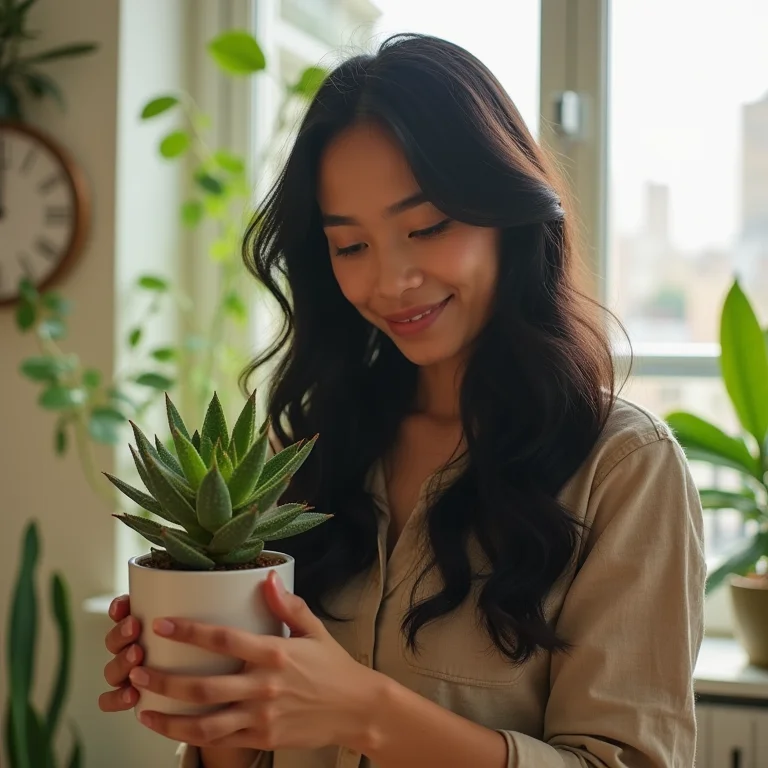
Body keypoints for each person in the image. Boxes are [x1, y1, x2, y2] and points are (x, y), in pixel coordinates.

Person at [99, 33, 706, 768]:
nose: (390, 282)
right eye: (350, 246)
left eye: (426, 227)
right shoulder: (306, 453)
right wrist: (217, 710)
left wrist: (365, 712)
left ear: (507, 217)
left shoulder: (623, 469)